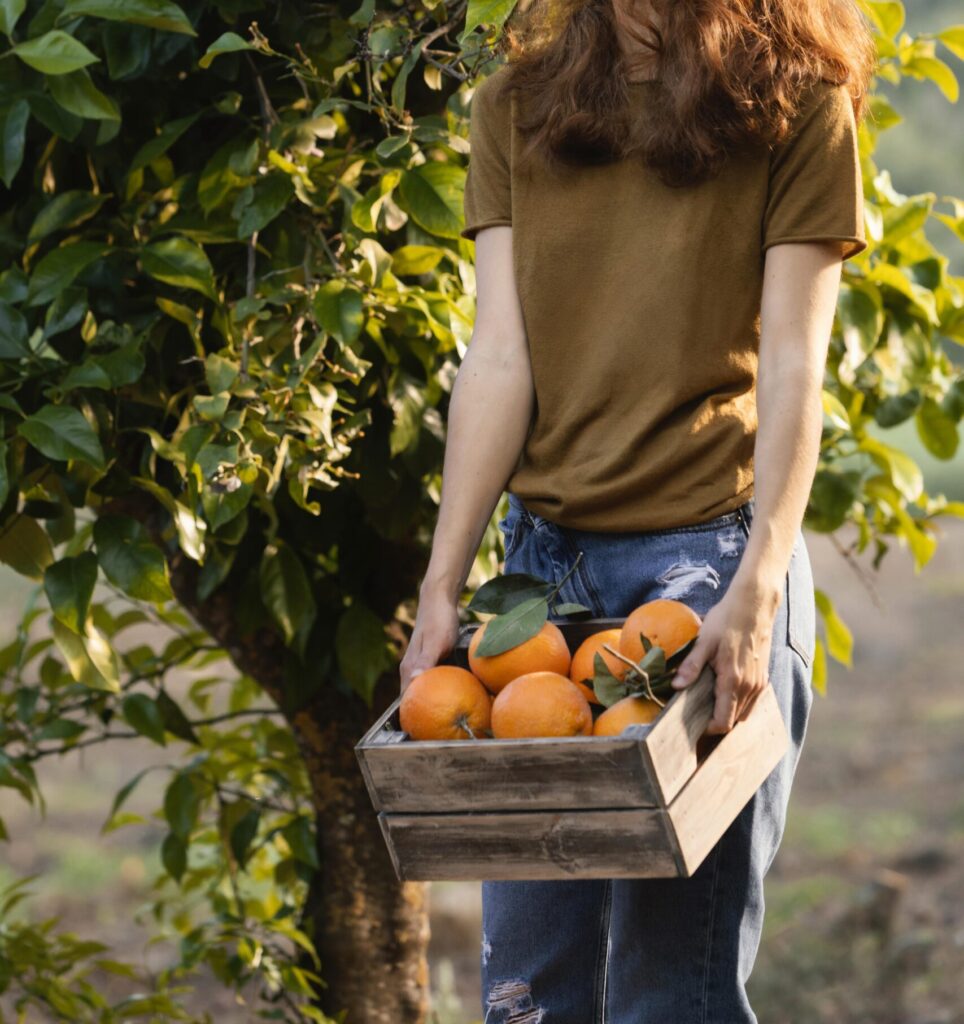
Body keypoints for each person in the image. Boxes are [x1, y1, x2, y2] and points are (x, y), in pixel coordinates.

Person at [399, 0, 875, 1019]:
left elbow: (795, 367)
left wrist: (755, 593)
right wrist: (443, 586)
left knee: (671, 993)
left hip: (711, 561)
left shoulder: (797, 102)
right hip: (544, 577)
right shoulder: (517, 105)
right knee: (525, 993)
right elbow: (498, 357)